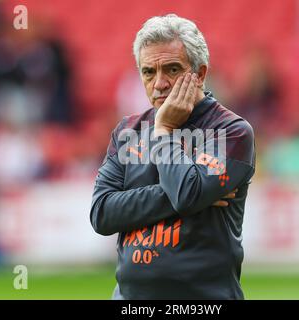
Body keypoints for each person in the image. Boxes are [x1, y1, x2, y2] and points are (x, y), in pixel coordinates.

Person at [90, 14, 256, 300]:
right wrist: (186, 192)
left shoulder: (230, 131)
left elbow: (187, 194)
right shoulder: (127, 130)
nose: (159, 84)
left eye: (172, 69)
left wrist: (164, 130)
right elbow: (102, 213)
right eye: (148, 72)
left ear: (200, 74)